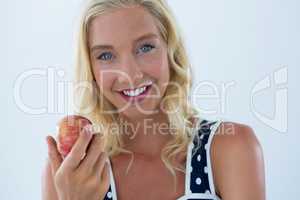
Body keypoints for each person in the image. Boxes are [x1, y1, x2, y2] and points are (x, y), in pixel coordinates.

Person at [42, 0, 266, 199]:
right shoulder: (70, 173)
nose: (129, 74)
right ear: (90, 68)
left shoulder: (231, 147)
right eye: (106, 56)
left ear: (171, 50)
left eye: (145, 47)